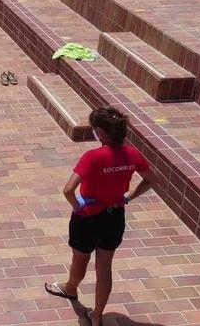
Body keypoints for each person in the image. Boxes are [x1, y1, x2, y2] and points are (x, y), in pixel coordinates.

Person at [44, 106, 159, 326]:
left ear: (102, 133)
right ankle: (97, 315)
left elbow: (68, 190)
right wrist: (128, 197)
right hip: (114, 216)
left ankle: (70, 288)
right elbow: (153, 179)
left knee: (81, 258)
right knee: (105, 266)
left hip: (88, 218)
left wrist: (77, 207)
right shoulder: (132, 154)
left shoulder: (93, 157)